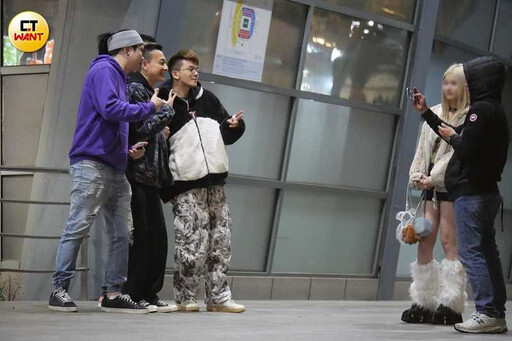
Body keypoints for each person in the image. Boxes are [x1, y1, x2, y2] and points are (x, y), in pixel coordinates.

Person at [49, 29, 172, 314]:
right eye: (141, 50)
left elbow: (114, 119)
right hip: (92, 162)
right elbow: (110, 109)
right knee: (78, 225)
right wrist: (150, 106)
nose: (144, 56)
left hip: (115, 165)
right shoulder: (105, 69)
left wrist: (128, 149)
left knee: (122, 231)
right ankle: (59, 289)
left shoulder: (117, 77)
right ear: (127, 50)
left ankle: (114, 292)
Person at [411, 56, 509, 334]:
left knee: (470, 252)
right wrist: (429, 115)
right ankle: (494, 312)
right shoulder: (494, 109)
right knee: (487, 253)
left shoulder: (479, 110)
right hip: (484, 192)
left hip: (472, 192)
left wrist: (454, 139)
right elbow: (460, 137)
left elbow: (466, 147)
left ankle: (487, 312)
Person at [158, 50, 246, 313]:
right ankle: (185, 298)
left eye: (197, 68)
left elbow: (226, 136)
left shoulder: (208, 99)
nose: (195, 73)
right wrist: (166, 188)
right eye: (190, 68)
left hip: (216, 185)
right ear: (175, 73)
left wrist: (233, 126)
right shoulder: (163, 102)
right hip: (185, 186)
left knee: (221, 242)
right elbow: (158, 148)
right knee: (190, 245)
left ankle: (218, 298)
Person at [402, 64, 469, 325]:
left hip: (450, 189)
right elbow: (422, 149)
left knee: (449, 244)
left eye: (454, 83)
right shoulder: (435, 113)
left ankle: (451, 304)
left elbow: (456, 155)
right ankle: (423, 302)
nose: (448, 88)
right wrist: (416, 175)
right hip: (429, 190)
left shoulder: (467, 117)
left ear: (464, 87)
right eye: (445, 83)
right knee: (424, 241)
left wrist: (434, 178)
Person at [121, 41, 177, 313]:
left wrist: (162, 128)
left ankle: (148, 293)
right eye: (161, 62)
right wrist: (164, 111)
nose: (166, 67)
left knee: (157, 240)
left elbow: (151, 131)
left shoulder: (149, 91)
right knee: (141, 239)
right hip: (136, 176)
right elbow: (136, 131)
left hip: (152, 179)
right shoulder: (134, 89)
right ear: (144, 64)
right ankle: (133, 292)